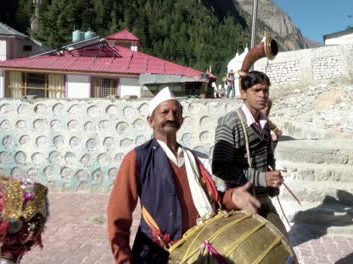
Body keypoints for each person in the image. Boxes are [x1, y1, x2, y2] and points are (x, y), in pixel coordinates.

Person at [107, 87, 260, 264]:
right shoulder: (137, 158)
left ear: (181, 119)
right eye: (164, 112)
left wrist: (233, 197)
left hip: (197, 252)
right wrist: (123, 259)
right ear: (151, 121)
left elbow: (212, 198)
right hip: (156, 254)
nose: (171, 117)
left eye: (176, 112)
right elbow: (118, 214)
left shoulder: (194, 159)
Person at [212, 70, 288, 237]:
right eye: (256, 90)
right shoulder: (230, 122)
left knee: (282, 243)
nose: (262, 95)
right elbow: (220, 167)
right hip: (239, 200)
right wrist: (261, 178)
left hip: (263, 199)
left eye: (265, 90)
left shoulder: (265, 124)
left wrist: (271, 181)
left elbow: (268, 157)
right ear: (244, 94)